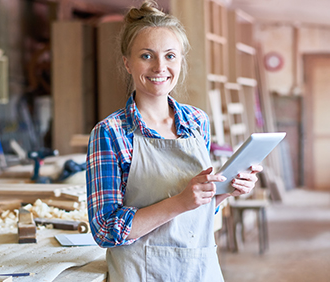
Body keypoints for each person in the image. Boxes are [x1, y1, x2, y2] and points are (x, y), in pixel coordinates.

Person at [85, 1, 263, 281]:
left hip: (200, 271)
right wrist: (180, 201)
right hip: (141, 274)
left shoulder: (197, 122)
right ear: (127, 63)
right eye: (146, 56)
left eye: (170, 56)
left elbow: (197, 210)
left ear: (181, 61)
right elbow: (106, 230)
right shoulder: (111, 133)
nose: (160, 67)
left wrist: (227, 189)